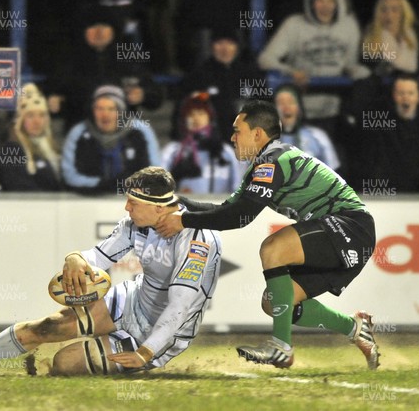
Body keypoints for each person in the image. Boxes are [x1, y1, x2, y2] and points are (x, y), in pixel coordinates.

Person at [0, 166, 222, 376]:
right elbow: (97, 258)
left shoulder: (198, 239)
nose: (127, 209)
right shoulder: (136, 225)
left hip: (163, 331)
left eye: (133, 202)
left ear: (158, 208)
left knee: (65, 364)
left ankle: (134, 369)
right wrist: (75, 257)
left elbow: (180, 308)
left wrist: (145, 352)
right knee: (47, 327)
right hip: (133, 300)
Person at [156, 100, 379, 370]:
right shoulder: (261, 167)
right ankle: (355, 328)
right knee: (273, 302)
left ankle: (281, 348)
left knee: (273, 248)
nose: (232, 138)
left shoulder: (272, 163)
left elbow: (240, 217)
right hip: (346, 233)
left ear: (258, 134)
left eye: (238, 131)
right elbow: (227, 210)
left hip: (350, 226)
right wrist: (176, 202)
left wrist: (184, 221)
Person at [257, 0, 370, 136]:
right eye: (320, 0)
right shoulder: (294, 24)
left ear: (338, 3)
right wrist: (291, 72)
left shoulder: (349, 26)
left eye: (331, 1)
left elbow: (350, 64)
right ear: (311, 2)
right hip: (299, 111)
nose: (325, 6)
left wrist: (360, 73)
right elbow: (265, 59)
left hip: (334, 113)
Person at [61, 85, 161, 194]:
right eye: (99, 109)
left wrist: (125, 186)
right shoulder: (78, 132)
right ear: (92, 111)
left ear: (121, 112)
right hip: (87, 199)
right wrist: (105, 185)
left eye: (111, 109)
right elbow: (69, 176)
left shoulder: (140, 130)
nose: (105, 114)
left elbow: (155, 173)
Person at [358, 74, 419, 194]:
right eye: (400, 93)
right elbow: (375, 160)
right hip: (388, 191)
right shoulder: (380, 122)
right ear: (393, 96)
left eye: (410, 93)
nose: (405, 98)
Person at [175, 27, 262, 140]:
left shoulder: (250, 74)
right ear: (212, 46)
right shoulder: (198, 76)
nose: (225, 49)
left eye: (230, 43)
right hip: (210, 143)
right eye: (220, 43)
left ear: (237, 47)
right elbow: (183, 110)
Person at [162, 93, 242, 194]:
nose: (196, 118)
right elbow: (160, 187)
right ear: (183, 120)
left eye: (201, 113)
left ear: (210, 118)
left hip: (220, 208)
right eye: (191, 114)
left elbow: (237, 188)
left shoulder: (226, 152)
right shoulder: (173, 151)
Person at [0, 83, 62, 191]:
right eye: (30, 115)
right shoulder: (8, 149)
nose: (37, 121)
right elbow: (14, 185)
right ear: (20, 120)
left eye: (41, 115)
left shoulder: (53, 147)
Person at [273, 84, 340, 171]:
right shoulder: (262, 141)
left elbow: (333, 176)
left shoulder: (318, 137)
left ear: (299, 108)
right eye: (281, 103)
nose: (286, 108)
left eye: (291, 102)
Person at [362, 0, 419, 76]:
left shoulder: (414, 36)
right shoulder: (370, 37)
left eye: (395, 10)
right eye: (384, 10)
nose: (389, 15)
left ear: (403, 13)